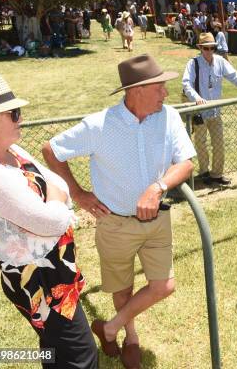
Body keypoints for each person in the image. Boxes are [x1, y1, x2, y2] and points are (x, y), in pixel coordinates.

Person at [42, 55, 196, 369]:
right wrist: (78, 193)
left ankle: (108, 328)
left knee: (164, 285)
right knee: (122, 289)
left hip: (157, 219)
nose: (165, 93)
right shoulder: (99, 125)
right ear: (136, 90)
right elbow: (51, 150)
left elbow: (186, 162)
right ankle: (131, 336)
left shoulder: (169, 117)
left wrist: (157, 188)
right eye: (159, 87)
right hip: (114, 224)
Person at [0, 74, 98, 368]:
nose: (20, 118)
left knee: (56, 351)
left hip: (53, 270)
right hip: (39, 281)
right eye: (13, 113)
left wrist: (52, 204)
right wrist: (54, 204)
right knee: (81, 357)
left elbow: (58, 186)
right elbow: (50, 222)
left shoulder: (10, 150)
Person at [182, 33, 237, 186]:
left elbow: (235, 77)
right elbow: (186, 84)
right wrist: (197, 99)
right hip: (200, 111)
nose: (209, 51)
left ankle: (217, 174)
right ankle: (204, 172)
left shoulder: (220, 61)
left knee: (219, 142)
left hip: (215, 110)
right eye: (206, 48)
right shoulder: (193, 63)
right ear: (200, 48)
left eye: (212, 48)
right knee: (201, 142)